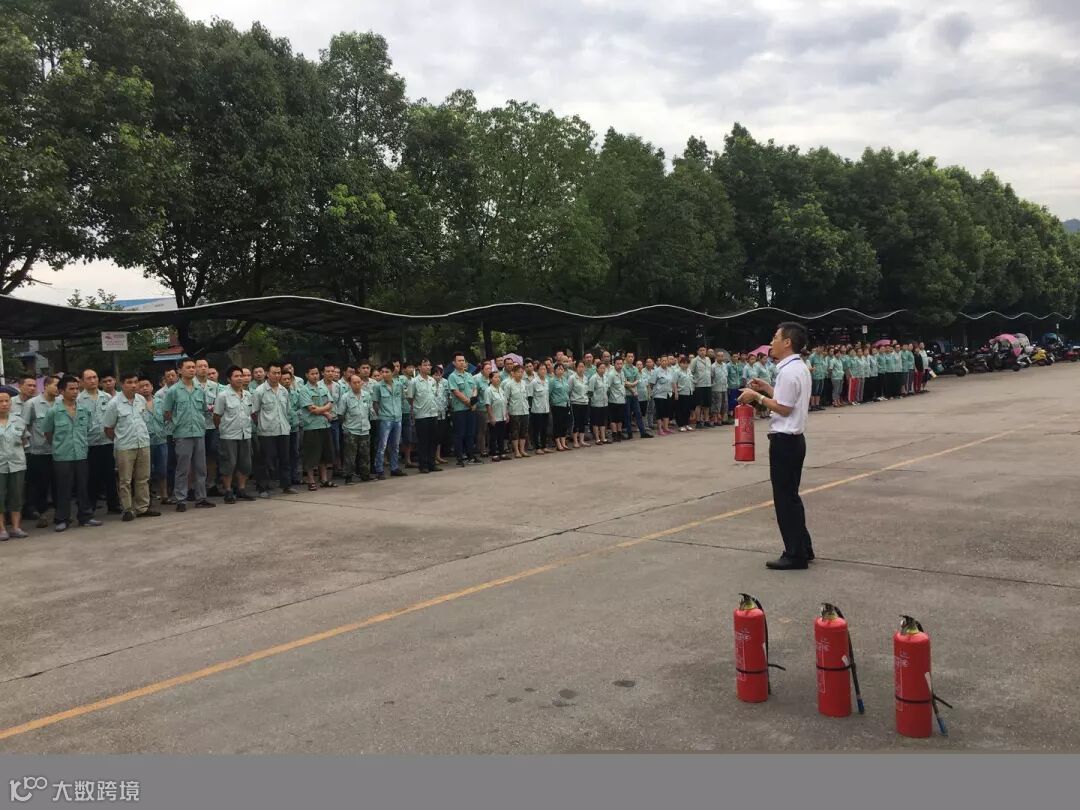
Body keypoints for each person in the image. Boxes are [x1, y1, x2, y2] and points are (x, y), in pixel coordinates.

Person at [739, 322, 814, 570]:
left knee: (785, 499)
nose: (772, 342)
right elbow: (785, 399)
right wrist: (768, 389)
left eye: (775, 337)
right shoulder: (797, 367)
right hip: (793, 440)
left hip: (785, 441)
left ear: (787, 342)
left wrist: (756, 397)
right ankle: (803, 547)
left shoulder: (789, 371)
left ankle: (795, 554)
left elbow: (783, 408)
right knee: (791, 496)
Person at [42, 375, 101, 531]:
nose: (75, 392)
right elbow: (48, 433)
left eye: (77, 388)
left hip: (81, 454)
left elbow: (87, 429)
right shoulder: (54, 411)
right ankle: (62, 519)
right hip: (62, 456)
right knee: (64, 489)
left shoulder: (84, 410)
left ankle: (85, 516)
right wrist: (59, 445)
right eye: (71, 389)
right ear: (62, 391)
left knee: (83, 487)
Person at [102, 372, 158, 521]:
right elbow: (108, 428)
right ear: (122, 384)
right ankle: (127, 509)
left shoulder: (140, 399)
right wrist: (119, 440)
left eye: (135, 382)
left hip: (143, 443)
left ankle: (142, 507)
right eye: (129, 382)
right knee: (125, 480)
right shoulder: (114, 403)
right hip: (125, 446)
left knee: (143, 477)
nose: (133, 385)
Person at [164, 359, 215, 512]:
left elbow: (204, 409)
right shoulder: (173, 391)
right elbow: (167, 413)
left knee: (201, 468)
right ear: (180, 371)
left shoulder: (199, 390)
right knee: (183, 468)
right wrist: (177, 424)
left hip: (199, 432)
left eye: (193, 367)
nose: (192, 370)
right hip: (182, 434)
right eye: (188, 367)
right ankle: (181, 499)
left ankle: (201, 498)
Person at [78, 369, 122, 515]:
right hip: (89, 444)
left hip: (107, 441)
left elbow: (113, 419)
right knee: (91, 477)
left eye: (95, 377)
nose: (92, 380)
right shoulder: (79, 399)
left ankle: (113, 505)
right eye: (89, 378)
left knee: (110, 475)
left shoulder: (107, 397)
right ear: (82, 382)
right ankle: (90, 506)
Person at [251, 362, 296, 497]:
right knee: (266, 461)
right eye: (274, 373)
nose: (277, 375)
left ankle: (286, 485)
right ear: (267, 374)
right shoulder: (260, 391)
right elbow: (254, 412)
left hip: (283, 429)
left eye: (279, 373)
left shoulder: (284, 391)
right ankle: (263, 488)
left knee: (285, 459)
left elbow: (287, 410)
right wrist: (262, 424)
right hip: (267, 432)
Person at [214, 366, 255, 504]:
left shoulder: (248, 395)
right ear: (229, 379)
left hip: (245, 434)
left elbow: (251, 413)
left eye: (241, 376)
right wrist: (222, 429)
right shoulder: (223, 396)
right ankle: (228, 491)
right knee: (229, 464)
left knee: (245, 464)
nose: (240, 379)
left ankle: (241, 489)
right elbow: (217, 416)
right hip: (229, 435)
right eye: (236, 376)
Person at [22, 375, 58, 527]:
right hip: (39, 452)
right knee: (40, 484)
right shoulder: (32, 404)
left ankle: (58, 513)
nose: (58, 388)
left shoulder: (60, 402)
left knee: (58, 483)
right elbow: (24, 426)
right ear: (46, 385)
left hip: (58, 450)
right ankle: (41, 513)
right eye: (55, 385)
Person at [297, 363, 336, 489]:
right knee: (311, 455)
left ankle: (324, 479)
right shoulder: (304, 390)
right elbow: (311, 409)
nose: (315, 376)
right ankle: (311, 481)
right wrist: (325, 412)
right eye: (312, 374)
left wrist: (322, 410)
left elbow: (330, 403)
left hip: (324, 425)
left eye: (316, 373)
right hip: (311, 426)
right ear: (307, 375)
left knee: (324, 454)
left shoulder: (322, 387)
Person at [0, 390, 30, 540]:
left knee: (16, 496)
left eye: (7, 401)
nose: (4, 404)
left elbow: (24, 440)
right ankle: (2, 529)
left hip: (17, 464)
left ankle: (16, 527)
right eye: (1, 401)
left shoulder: (19, 421)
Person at [371, 363, 406, 480]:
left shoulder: (398, 384)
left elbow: (402, 399)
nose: (384, 374)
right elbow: (375, 403)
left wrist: (399, 412)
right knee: (382, 445)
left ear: (392, 372)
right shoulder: (378, 386)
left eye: (387, 372)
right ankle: (379, 469)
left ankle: (394, 468)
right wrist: (381, 414)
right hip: (385, 419)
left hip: (397, 418)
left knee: (395, 445)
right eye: (382, 372)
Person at [139, 376, 170, 504]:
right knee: (146, 472)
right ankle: (147, 498)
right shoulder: (137, 404)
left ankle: (164, 496)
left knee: (162, 470)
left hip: (161, 439)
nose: (145, 388)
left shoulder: (160, 402)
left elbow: (167, 417)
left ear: (152, 387)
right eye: (142, 386)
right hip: (145, 442)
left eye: (147, 385)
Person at [407, 359, 440, 473]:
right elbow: (410, 398)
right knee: (423, 441)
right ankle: (423, 465)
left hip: (433, 413)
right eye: (425, 365)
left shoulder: (432, 380)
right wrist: (416, 409)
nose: (428, 367)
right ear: (419, 367)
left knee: (433, 440)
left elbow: (434, 395)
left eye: (429, 365)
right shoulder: (414, 382)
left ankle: (432, 463)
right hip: (421, 415)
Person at [339, 374, 374, 482]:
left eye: (359, 382)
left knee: (365, 454)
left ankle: (365, 475)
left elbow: (370, 411)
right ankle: (348, 476)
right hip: (351, 430)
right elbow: (341, 414)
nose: (357, 384)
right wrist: (346, 426)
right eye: (354, 383)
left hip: (365, 429)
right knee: (350, 455)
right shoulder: (345, 397)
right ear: (350, 384)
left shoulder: (366, 395)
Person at [448, 353, 480, 467]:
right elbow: (456, 392)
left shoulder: (469, 375)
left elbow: (474, 388)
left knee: (470, 433)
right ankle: (460, 457)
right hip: (459, 410)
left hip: (471, 408)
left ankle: (471, 455)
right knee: (459, 434)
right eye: (459, 360)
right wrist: (468, 402)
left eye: (463, 360)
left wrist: (473, 401)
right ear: (454, 363)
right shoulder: (452, 376)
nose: (462, 362)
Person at [195, 358, 221, 496]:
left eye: (206, 366)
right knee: (196, 458)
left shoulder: (215, 386)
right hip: (197, 426)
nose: (203, 368)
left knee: (212, 456)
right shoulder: (191, 385)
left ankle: (211, 484)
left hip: (212, 425)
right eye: (200, 366)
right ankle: (196, 487)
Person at [502, 364, 531, 459]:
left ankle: (522, 450)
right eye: (518, 372)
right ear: (513, 373)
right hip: (514, 411)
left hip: (525, 410)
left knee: (524, 431)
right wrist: (506, 413)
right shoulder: (509, 385)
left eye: (522, 372)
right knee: (515, 432)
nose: (520, 374)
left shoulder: (524, 383)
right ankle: (516, 451)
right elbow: (505, 399)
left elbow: (527, 397)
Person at [484, 370, 508, 462]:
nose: (498, 379)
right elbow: (488, 405)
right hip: (494, 417)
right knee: (493, 436)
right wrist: (491, 417)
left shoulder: (501, 389)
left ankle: (502, 453)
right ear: (490, 379)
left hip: (502, 416)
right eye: (495, 377)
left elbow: (504, 403)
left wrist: (506, 414)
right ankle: (494, 454)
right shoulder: (488, 390)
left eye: (499, 377)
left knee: (501, 436)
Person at [529, 362, 551, 454]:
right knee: (537, 429)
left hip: (546, 408)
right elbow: (530, 397)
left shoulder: (547, 381)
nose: (543, 371)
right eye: (541, 369)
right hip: (536, 410)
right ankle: (537, 447)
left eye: (544, 369)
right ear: (537, 371)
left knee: (544, 428)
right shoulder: (534, 382)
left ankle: (544, 446)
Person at [586, 360, 609, 446]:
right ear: (597, 369)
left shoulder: (605, 377)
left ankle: (603, 438)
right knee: (596, 421)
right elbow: (590, 392)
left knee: (602, 421)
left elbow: (607, 389)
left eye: (604, 368)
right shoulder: (593, 378)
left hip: (604, 402)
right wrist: (593, 399)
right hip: (595, 403)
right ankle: (597, 438)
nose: (602, 370)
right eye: (601, 368)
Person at [548, 363, 570, 452]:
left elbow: (567, 391)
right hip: (557, 405)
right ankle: (558, 443)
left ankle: (563, 443)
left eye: (562, 369)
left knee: (564, 424)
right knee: (557, 424)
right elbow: (549, 393)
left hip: (566, 404)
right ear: (555, 370)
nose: (560, 371)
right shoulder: (552, 381)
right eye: (558, 369)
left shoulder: (564, 379)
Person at [568, 361, 590, 448]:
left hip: (584, 402)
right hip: (575, 402)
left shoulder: (586, 378)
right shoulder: (572, 378)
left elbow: (587, 390)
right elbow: (569, 390)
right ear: (576, 368)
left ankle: (582, 440)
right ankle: (575, 441)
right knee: (576, 422)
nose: (581, 369)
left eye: (583, 367)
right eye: (579, 367)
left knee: (583, 422)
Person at [690, 346, 712, 428]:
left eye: (704, 350)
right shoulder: (694, 360)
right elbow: (690, 372)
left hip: (708, 384)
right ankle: (698, 421)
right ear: (698, 352)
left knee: (707, 404)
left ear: (706, 351)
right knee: (698, 404)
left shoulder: (708, 359)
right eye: (700, 350)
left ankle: (706, 421)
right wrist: (694, 381)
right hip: (699, 385)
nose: (702, 352)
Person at [606, 357, 626, 442]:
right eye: (618, 364)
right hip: (613, 400)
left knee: (620, 418)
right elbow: (607, 387)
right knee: (613, 418)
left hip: (621, 399)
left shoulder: (622, 373)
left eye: (621, 364)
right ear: (614, 364)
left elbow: (623, 384)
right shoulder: (611, 374)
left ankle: (619, 433)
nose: (619, 365)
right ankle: (614, 434)